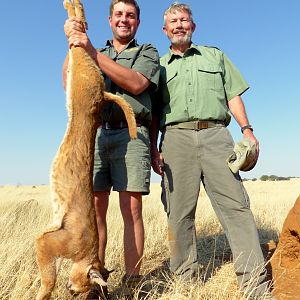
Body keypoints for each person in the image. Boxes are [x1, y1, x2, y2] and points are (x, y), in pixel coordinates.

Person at [150, 2, 275, 299]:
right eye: (173, 21)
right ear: (165, 30)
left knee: (237, 208)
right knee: (178, 214)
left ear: (193, 26)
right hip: (175, 138)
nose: (179, 24)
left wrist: (247, 130)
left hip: (216, 136)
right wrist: (155, 148)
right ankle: (185, 283)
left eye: (184, 20)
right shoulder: (158, 67)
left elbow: (232, 95)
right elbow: (155, 112)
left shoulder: (214, 55)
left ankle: (255, 286)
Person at [63, 0, 160, 298]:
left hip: (132, 134)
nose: (124, 20)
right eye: (119, 14)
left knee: (131, 210)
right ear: (109, 20)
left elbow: (136, 84)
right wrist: (72, 44)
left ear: (138, 22)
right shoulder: (95, 48)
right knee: (94, 209)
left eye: (130, 15)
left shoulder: (147, 52)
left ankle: (133, 283)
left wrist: (90, 50)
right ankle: (96, 280)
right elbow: (68, 81)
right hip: (94, 134)